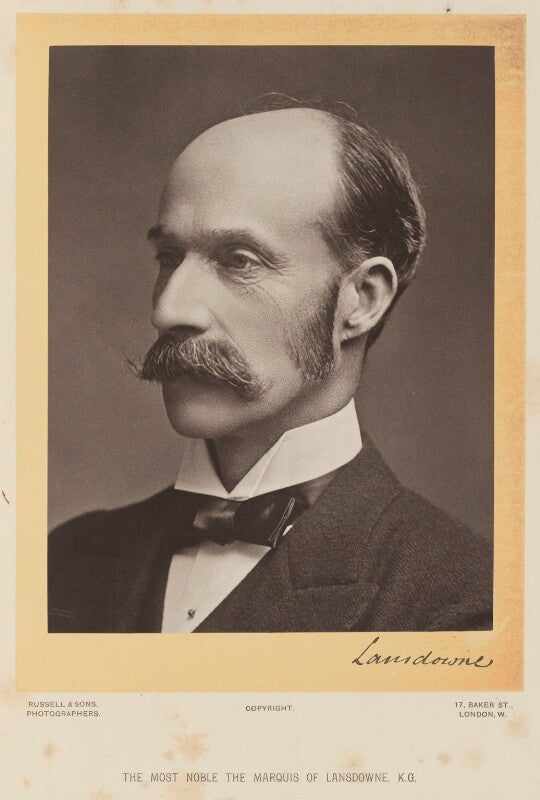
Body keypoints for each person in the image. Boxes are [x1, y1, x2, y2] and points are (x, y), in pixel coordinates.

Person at [48, 99, 492, 633]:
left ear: (362, 300)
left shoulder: (461, 606)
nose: (168, 310)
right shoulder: (63, 564)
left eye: (240, 261)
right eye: (169, 258)